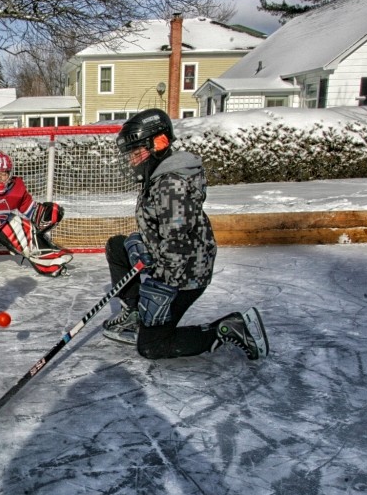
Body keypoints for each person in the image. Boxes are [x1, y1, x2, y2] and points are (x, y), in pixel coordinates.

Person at [102, 108, 269, 360]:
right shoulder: (157, 176)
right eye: (131, 155)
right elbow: (164, 231)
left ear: (159, 143)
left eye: (137, 153)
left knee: (151, 347)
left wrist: (158, 289)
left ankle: (230, 328)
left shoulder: (171, 185)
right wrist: (146, 245)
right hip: (172, 261)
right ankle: (136, 313)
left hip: (186, 274)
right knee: (118, 246)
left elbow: (178, 245)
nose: (132, 161)